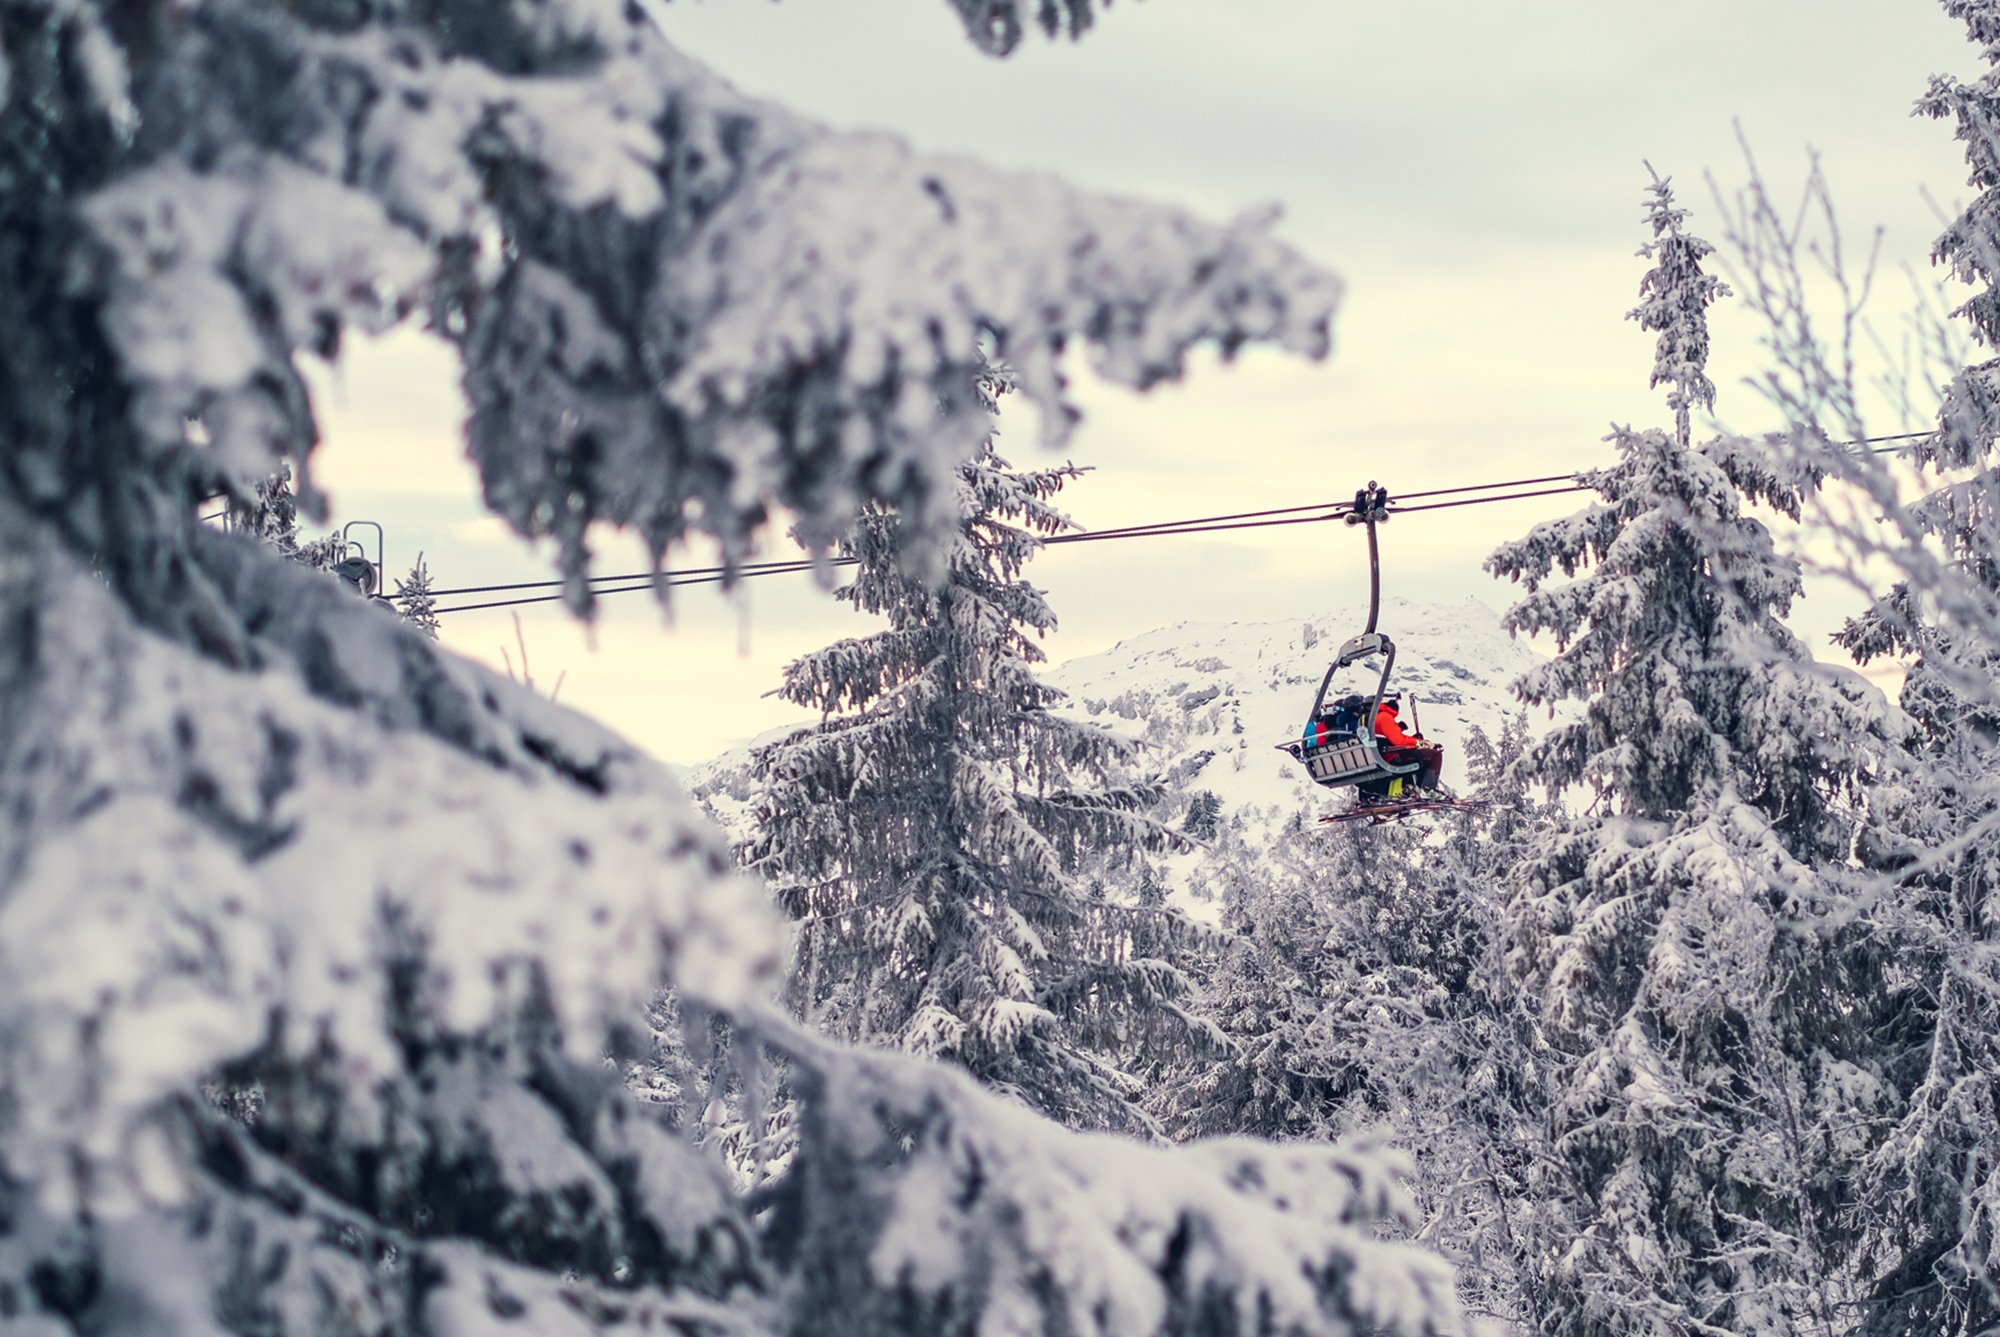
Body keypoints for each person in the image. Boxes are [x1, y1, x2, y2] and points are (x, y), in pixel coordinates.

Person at [1367, 694, 1444, 797]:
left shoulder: (1374, 718)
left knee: (1419, 755)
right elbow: (1399, 741)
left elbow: (1391, 737)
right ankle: (1427, 790)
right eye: (1395, 701)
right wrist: (1418, 743)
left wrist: (1414, 739)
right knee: (1434, 755)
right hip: (1390, 756)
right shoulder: (1384, 717)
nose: (1396, 704)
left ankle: (1410, 788)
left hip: (1384, 754)